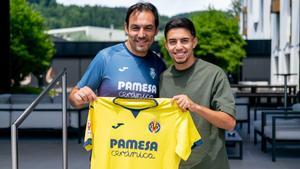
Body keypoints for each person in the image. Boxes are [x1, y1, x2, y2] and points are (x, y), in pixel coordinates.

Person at [159, 17, 236, 169]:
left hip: (211, 165)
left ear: (194, 42)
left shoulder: (214, 74)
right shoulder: (162, 78)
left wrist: (195, 107)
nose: (178, 47)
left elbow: (229, 123)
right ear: (166, 45)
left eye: (184, 40)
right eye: (173, 42)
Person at [69, 2, 166, 108]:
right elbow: (74, 98)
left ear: (156, 30)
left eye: (148, 28)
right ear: (126, 28)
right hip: (110, 125)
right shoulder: (105, 57)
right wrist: (78, 97)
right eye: (135, 28)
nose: (141, 34)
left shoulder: (159, 65)